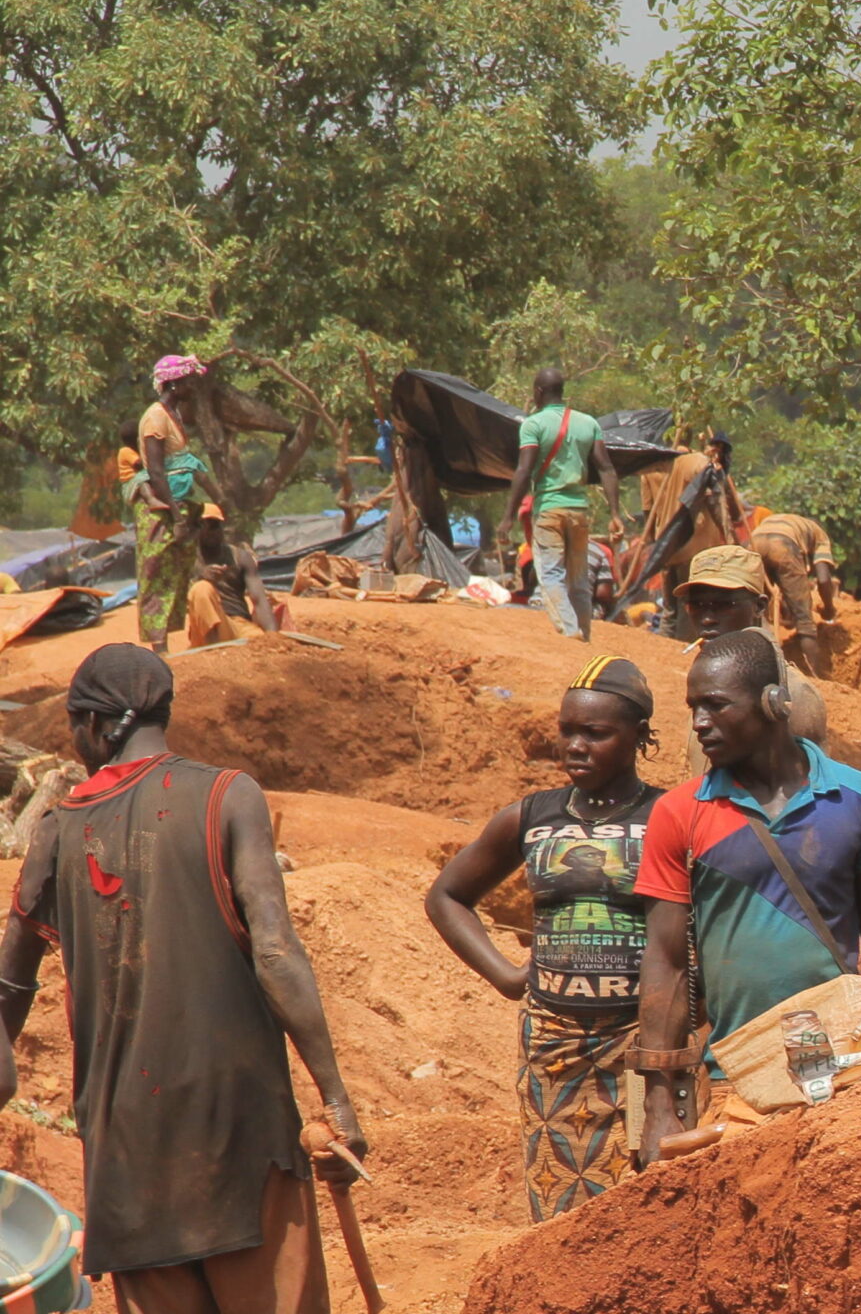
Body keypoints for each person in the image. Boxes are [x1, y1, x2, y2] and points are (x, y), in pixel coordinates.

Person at [0, 645, 366, 1310]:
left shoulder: (58, 829)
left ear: (91, 726)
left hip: (125, 1153)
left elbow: (10, 986)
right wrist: (335, 1098)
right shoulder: (228, 796)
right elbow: (276, 951)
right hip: (242, 1135)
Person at [630, 631, 861, 1167]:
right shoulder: (679, 813)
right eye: (694, 707)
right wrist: (658, 1107)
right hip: (733, 1084)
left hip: (849, 1073)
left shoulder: (859, 798)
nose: (698, 723)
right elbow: (665, 962)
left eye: (715, 706)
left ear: (772, 702)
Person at [425, 657, 664, 1221]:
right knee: (561, 1212)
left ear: (638, 738)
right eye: (567, 731)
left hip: (641, 1042)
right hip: (554, 1051)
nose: (575, 746)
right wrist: (508, 977)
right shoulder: (532, 818)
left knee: (649, 1203)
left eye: (596, 734)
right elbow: (447, 896)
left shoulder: (668, 816)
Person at [674, 545, 835, 775]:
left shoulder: (792, 694)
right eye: (696, 605)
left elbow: (810, 796)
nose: (707, 618)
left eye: (723, 605)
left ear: (759, 606)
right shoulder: (702, 686)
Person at [504, 368, 623, 642]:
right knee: (579, 580)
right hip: (578, 511)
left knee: (550, 575)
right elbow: (606, 468)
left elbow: (524, 471)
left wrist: (508, 516)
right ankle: (585, 635)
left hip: (548, 510)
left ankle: (571, 633)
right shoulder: (588, 423)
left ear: (538, 392)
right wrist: (615, 513)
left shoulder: (532, 425)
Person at [130, 355, 218, 653]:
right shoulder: (155, 418)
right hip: (161, 511)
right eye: (188, 381)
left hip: (176, 504)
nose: (193, 386)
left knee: (174, 574)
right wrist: (178, 515)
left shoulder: (173, 414)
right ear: (174, 383)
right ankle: (159, 648)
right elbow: (155, 469)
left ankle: (164, 646)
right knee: (157, 576)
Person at [629, 437, 748, 640]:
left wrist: (653, 545)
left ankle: (664, 650)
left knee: (669, 608)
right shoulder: (696, 463)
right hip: (694, 544)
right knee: (690, 605)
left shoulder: (651, 469)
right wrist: (729, 537)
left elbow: (648, 511)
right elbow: (715, 500)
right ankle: (680, 651)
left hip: (665, 545)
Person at [749, 510, 841, 678]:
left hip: (755, 540)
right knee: (805, 622)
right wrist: (829, 609)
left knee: (756, 611)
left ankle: (753, 666)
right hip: (783, 544)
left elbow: (778, 584)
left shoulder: (793, 523)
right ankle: (814, 677)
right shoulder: (820, 535)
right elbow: (823, 578)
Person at [185, 503, 291, 647]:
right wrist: (201, 576)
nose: (210, 532)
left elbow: (259, 599)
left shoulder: (240, 557)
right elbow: (173, 599)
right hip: (204, 630)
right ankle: (212, 654)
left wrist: (273, 636)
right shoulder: (186, 560)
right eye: (204, 526)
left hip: (237, 626)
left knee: (261, 644)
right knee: (201, 588)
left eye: (214, 526)